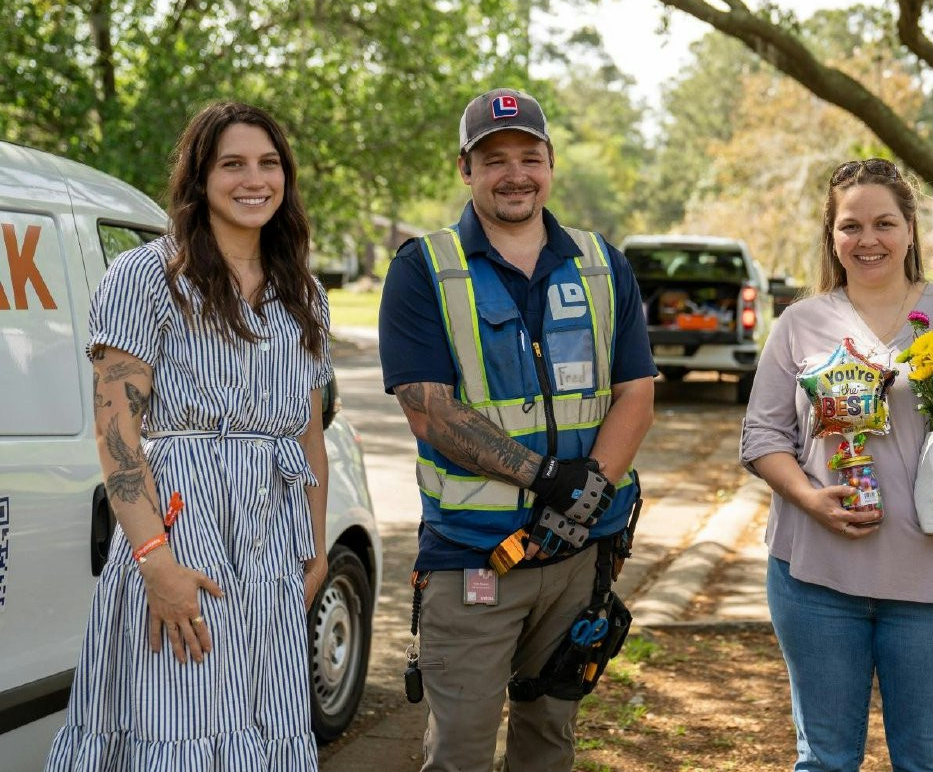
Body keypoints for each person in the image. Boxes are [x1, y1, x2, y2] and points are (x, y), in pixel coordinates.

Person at [47, 101, 332, 769]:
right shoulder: (146, 276)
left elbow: (309, 434)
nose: (252, 179)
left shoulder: (304, 293)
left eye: (268, 163)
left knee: (262, 727)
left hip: (271, 547)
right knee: (177, 724)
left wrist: (313, 549)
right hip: (180, 534)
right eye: (232, 163)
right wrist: (156, 561)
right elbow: (115, 432)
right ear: (200, 177)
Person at [378, 87, 655, 772]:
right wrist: (548, 479)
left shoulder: (600, 263)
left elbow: (636, 391)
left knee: (548, 745)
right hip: (475, 558)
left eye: (529, 156)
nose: (514, 173)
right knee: (462, 753)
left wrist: (593, 485)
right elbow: (429, 410)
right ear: (465, 169)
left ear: (550, 163)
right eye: (493, 158)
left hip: (577, 560)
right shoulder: (425, 269)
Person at [740, 158, 933, 771]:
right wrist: (807, 497)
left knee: (929, 759)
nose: (867, 240)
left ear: (909, 230)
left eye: (883, 223)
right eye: (851, 226)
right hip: (815, 579)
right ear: (832, 236)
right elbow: (762, 433)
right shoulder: (800, 323)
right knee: (824, 759)